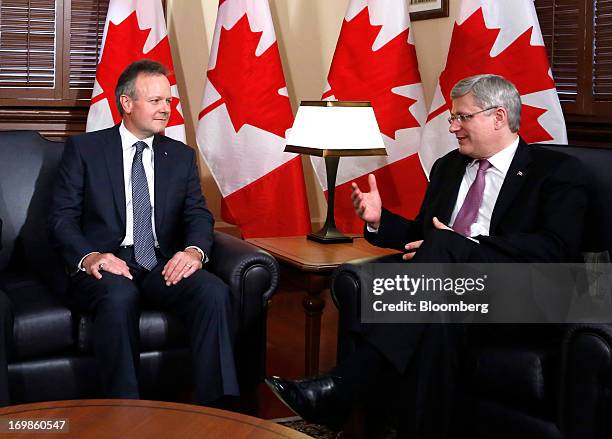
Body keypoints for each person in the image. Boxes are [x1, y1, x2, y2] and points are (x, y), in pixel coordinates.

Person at [266, 74, 588, 437]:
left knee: (444, 251)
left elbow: (556, 248)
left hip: (521, 293)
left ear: (498, 117)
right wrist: (379, 221)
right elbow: (424, 235)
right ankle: (368, 423)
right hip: (450, 290)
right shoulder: (448, 167)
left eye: (462, 117)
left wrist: (467, 246)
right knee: (425, 304)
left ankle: (341, 387)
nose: (452, 127)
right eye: (453, 118)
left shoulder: (556, 172)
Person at [49, 60, 238, 405]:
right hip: (106, 262)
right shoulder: (85, 150)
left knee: (214, 293)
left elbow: (198, 214)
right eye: (155, 101)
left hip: (158, 262)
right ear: (127, 103)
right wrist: (91, 256)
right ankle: (127, 414)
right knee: (119, 297)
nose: (165, 109)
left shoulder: (180, 156)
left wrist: (194, 251)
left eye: (168, 101)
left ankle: (220, 410)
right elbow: (61, 219)